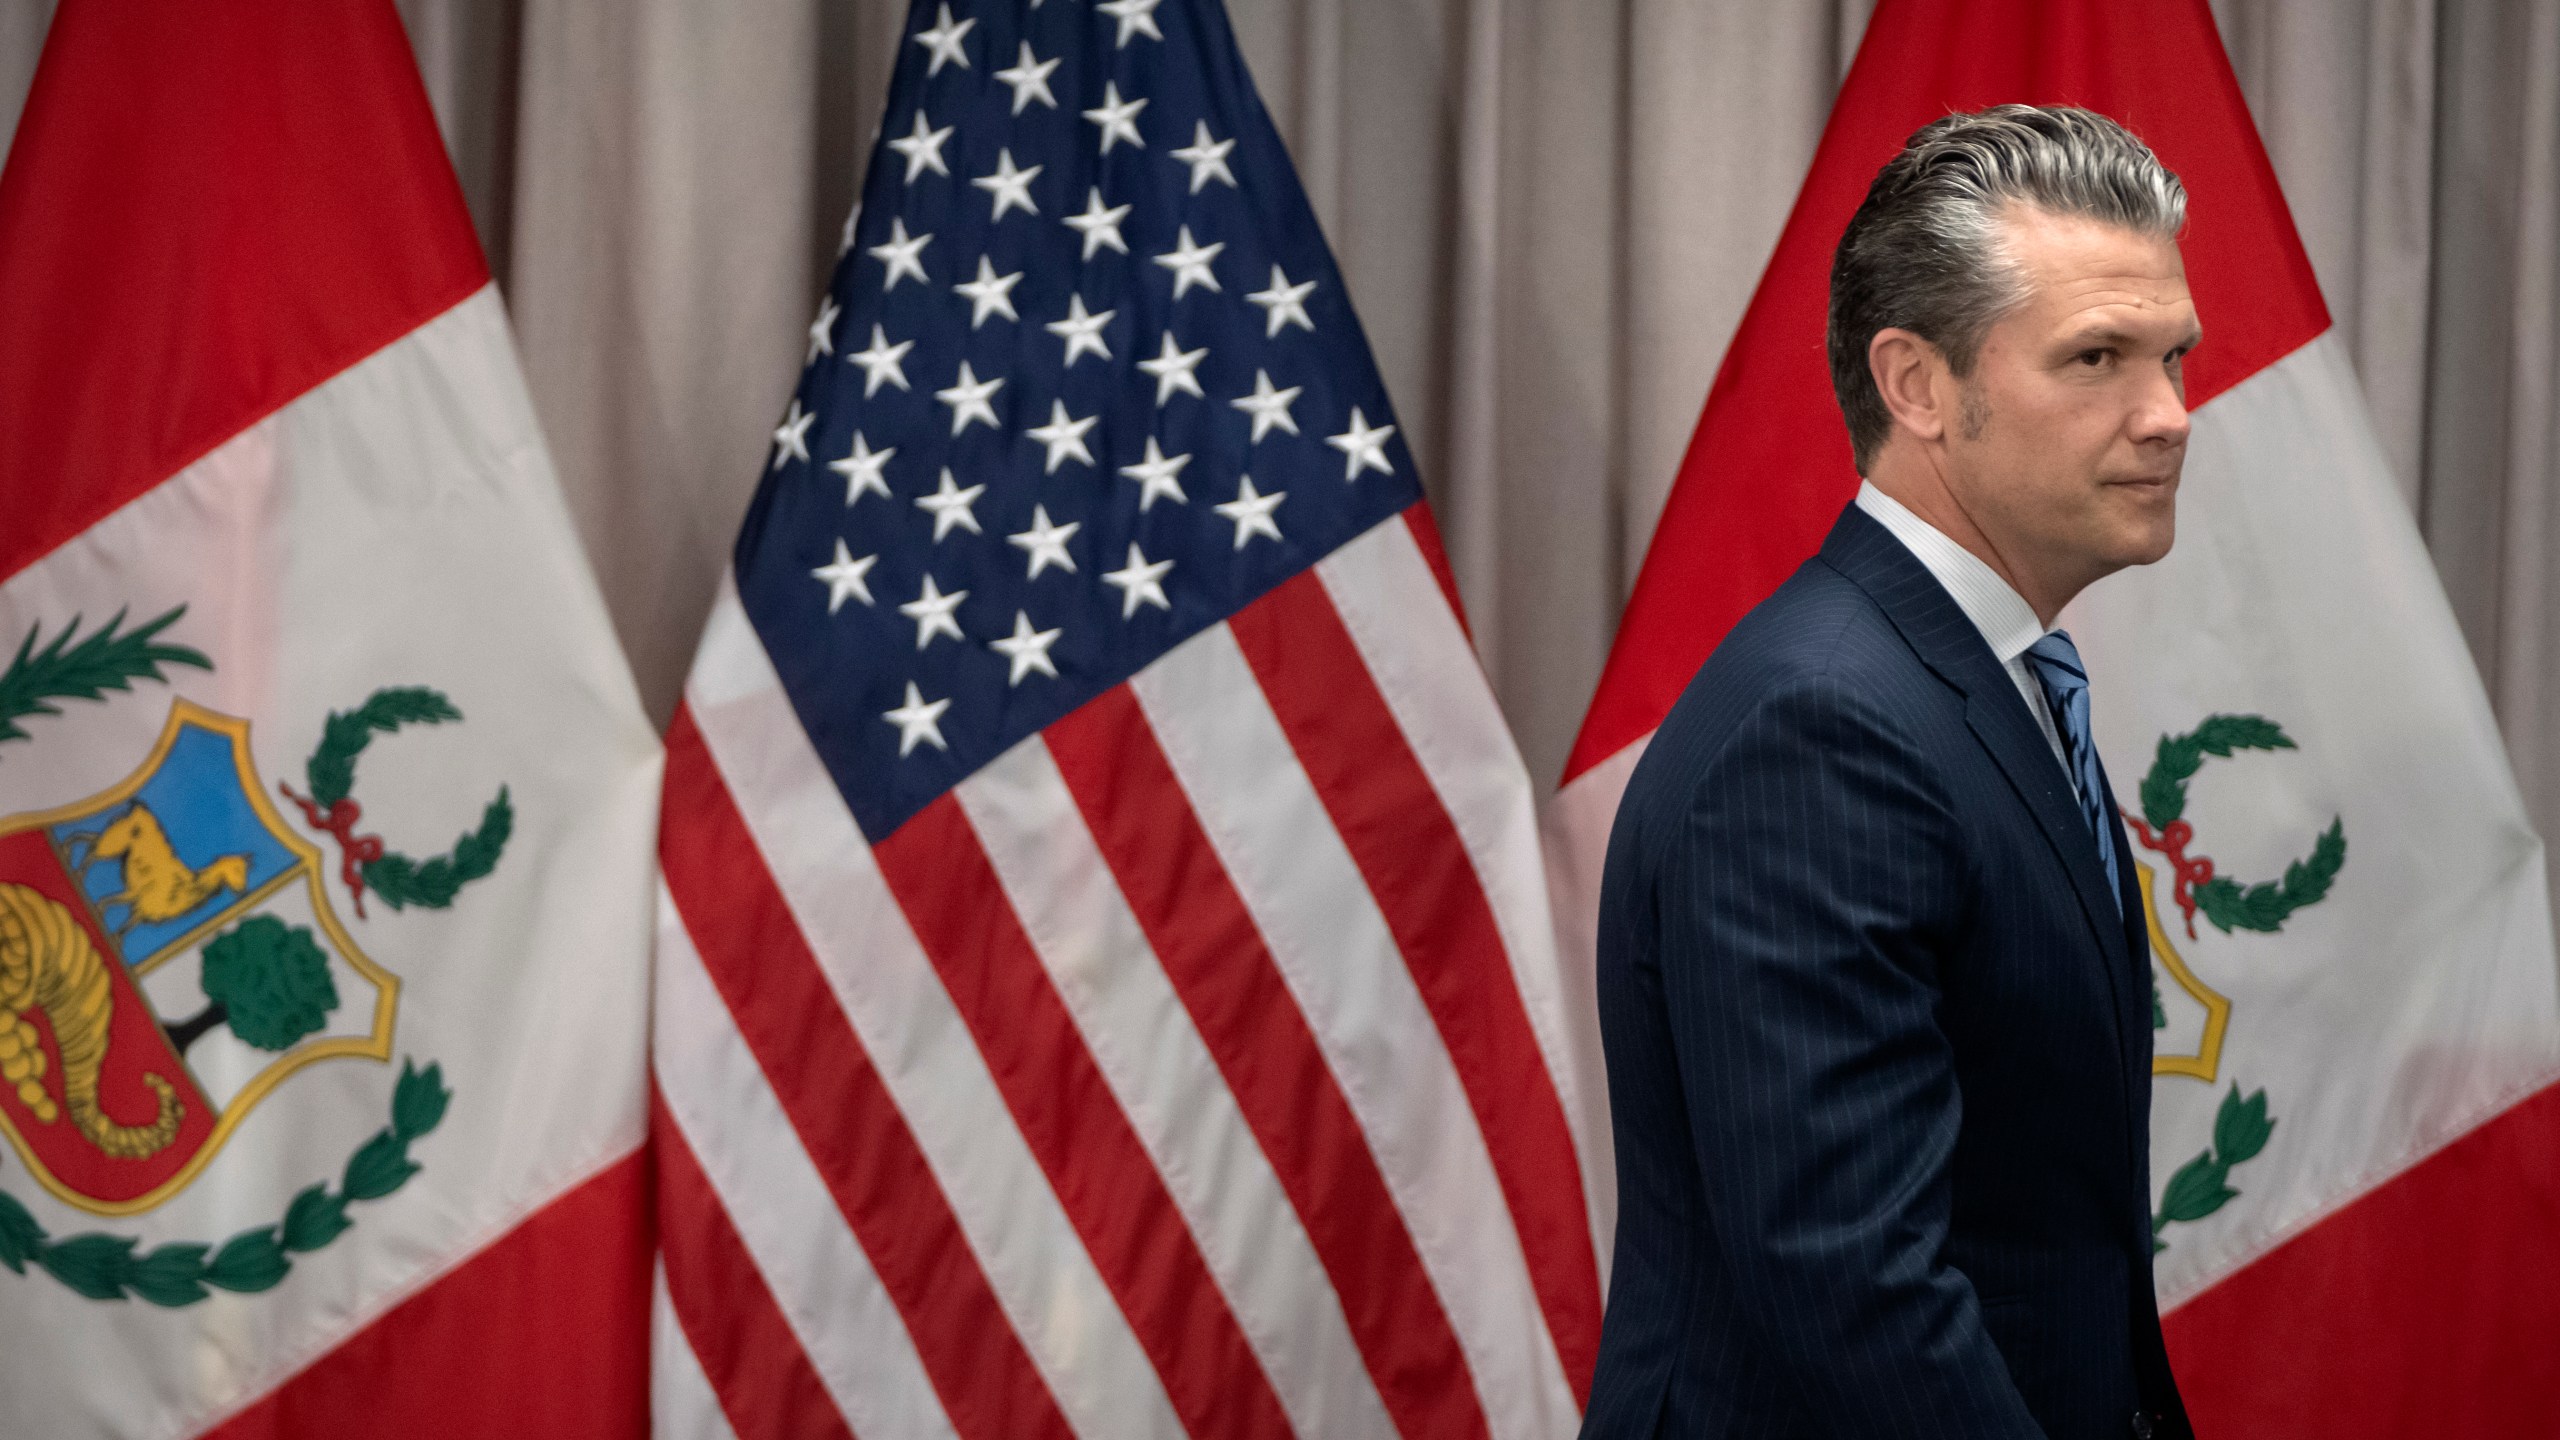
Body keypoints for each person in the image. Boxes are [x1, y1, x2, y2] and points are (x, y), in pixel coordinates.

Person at [1582, 105, 2201, 1439]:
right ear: (1917, 385)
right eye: (2097, 357)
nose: (2168, 416)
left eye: (2174, 357)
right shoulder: (1824, 725)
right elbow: (1852, 1285)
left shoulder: (1971, 676)